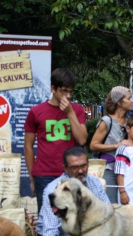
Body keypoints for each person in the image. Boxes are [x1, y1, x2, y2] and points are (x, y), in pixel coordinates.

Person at [23, 68, 87, 212]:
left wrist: (69, 112)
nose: (68, 96)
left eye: (71, 92)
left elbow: (82, 139)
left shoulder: (76, 110)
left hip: (71, 172)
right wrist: (32, 178)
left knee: (72, 216)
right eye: (64, 91)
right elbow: (28, 146)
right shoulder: (36, 111)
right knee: (45, 219)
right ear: (53, 88)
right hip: (44, 174)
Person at [90, 86, 133, 204]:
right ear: (119, 102)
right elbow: (93, 145)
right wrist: (117, 145)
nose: (132, 101)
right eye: (129, 98)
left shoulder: (130, 121)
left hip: (126, 170)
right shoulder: (107, 121)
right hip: (109, 169)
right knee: (111, 206)